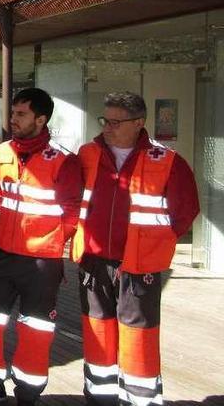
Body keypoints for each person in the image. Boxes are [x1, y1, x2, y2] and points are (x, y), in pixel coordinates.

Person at [0, 88, 82, 406]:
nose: (13, 119)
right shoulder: (3, 152)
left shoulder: (64, 161)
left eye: (21, 114)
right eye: (13, 113)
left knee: (36, 331)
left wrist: (49, 241)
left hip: (41, 262)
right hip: (2, 256)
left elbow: (72, 213)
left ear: (41, 119)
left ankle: (28, 393)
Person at [72, 92, 199, 406]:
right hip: (95, 261)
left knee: (138, 336)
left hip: (140, 266)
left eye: (116, 122)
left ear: (139, 123)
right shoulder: (87, 154)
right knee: (97, 333)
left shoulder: (167, 160)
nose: (108, 127)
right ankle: (99, 398)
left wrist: (156, 244)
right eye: (105, 120)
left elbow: (186, 210)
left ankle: (140, 399)